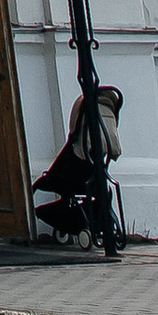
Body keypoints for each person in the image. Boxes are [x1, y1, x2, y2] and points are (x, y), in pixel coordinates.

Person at [32, 81, 123, 242]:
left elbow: (74, 137)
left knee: (49, 183)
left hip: (73, 172)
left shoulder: (79, 146)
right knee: (101, 194)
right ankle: (102, 225)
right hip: (96, 171)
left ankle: (82, 226)